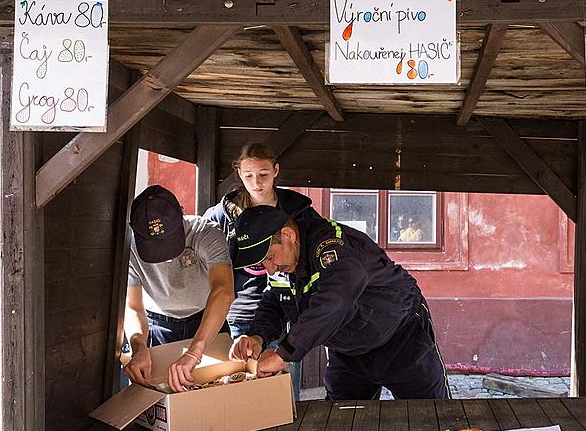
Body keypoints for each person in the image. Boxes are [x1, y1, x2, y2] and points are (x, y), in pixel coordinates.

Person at [230, 205, 451, 400]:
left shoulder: (329, 243)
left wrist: (283, 355)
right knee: (340, 422)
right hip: (347, 352)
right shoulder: (282, 265)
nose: (270, 268)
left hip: (401, 338)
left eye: (269, 257)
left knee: (433, 418)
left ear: (288, 235)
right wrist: (258, 336)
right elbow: (276, 300)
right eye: (263, 263)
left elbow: (338, 295)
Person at [203, 143, 321, 344]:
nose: (256, 183)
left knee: (279, 372)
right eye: (248, 175)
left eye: (263, 174)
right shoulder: (221, 215)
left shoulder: (298, 211)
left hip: (285, 308)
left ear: (276, 171)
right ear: (239, 173)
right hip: (238, 310)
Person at [123, 185, 234, 393]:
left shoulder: (205, 232)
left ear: (181, 216)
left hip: (207, 321)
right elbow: (133, 306)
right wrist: (138, 346)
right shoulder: (129, 248)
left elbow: (223, 290)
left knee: (219, 395)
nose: (165, 256)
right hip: (157, 325)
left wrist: (195, 351)